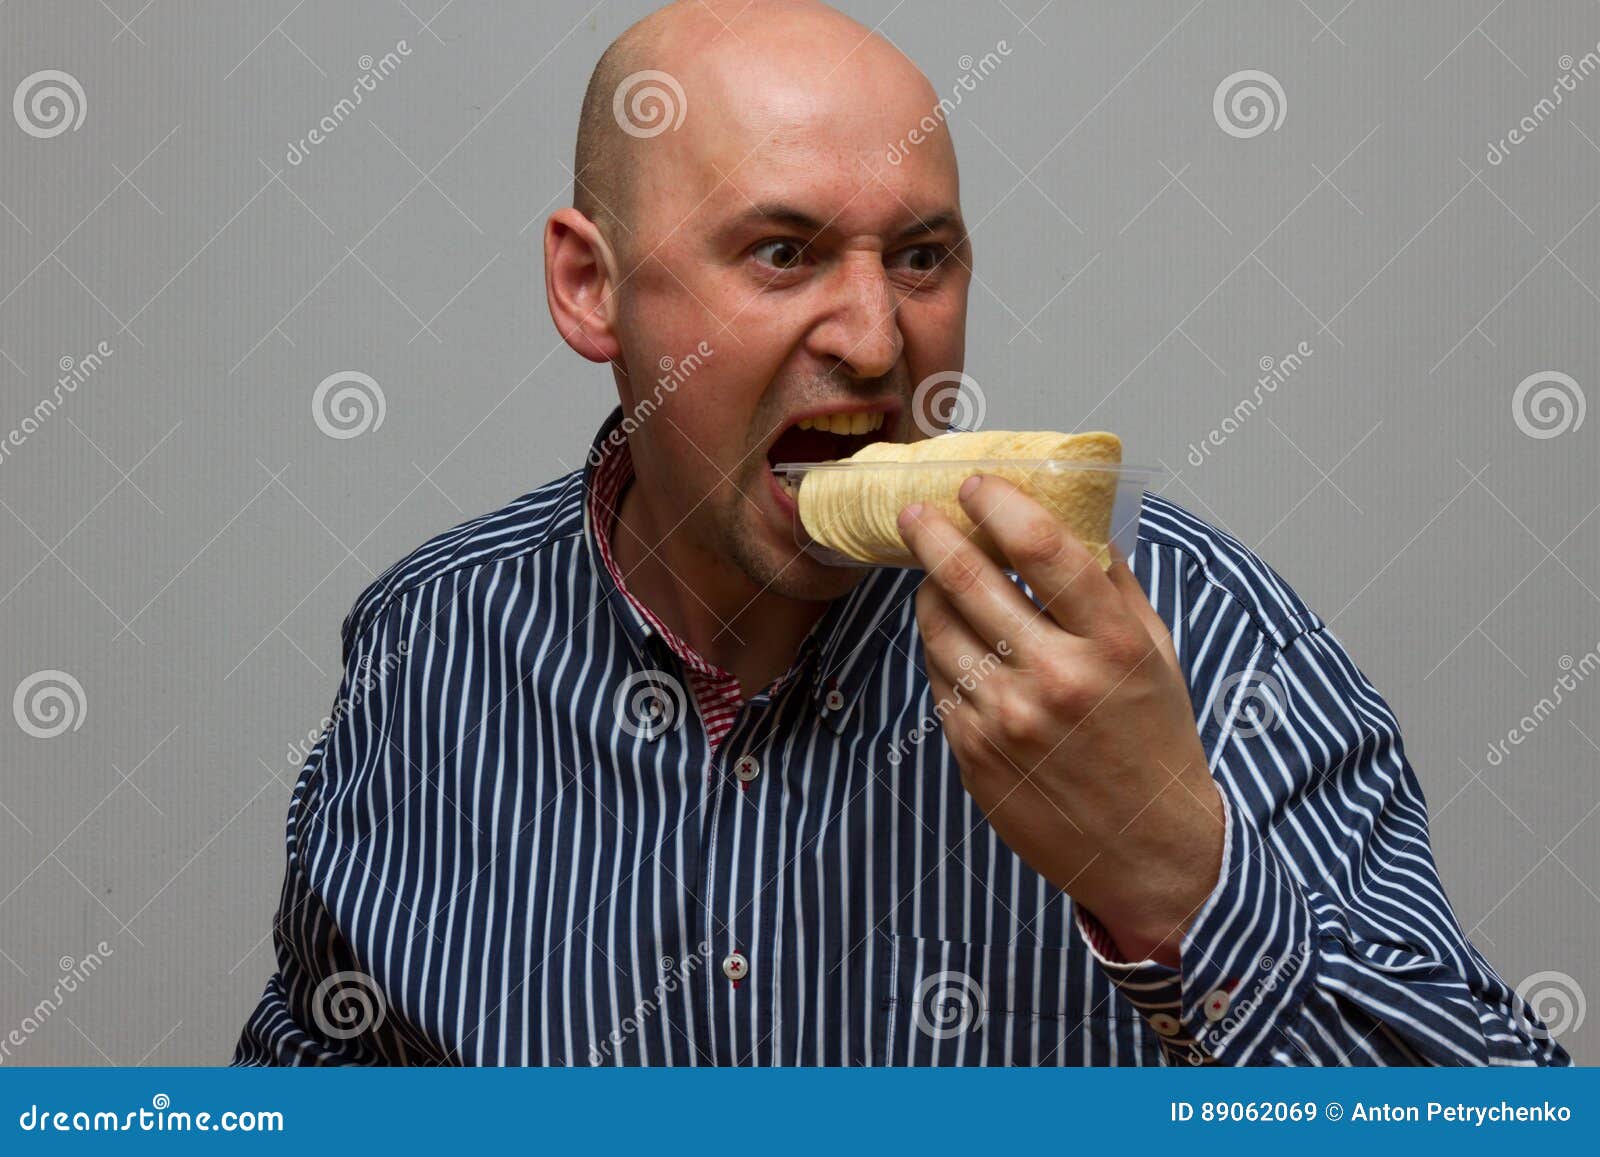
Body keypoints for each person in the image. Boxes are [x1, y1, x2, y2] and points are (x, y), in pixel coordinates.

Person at [234, 0, 1568, 1066]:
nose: (877, 341)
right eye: (782, 252)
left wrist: (1172, 875)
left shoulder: (1192, 636)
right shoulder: (433, 645)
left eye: (921, 258)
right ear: (591, 287)